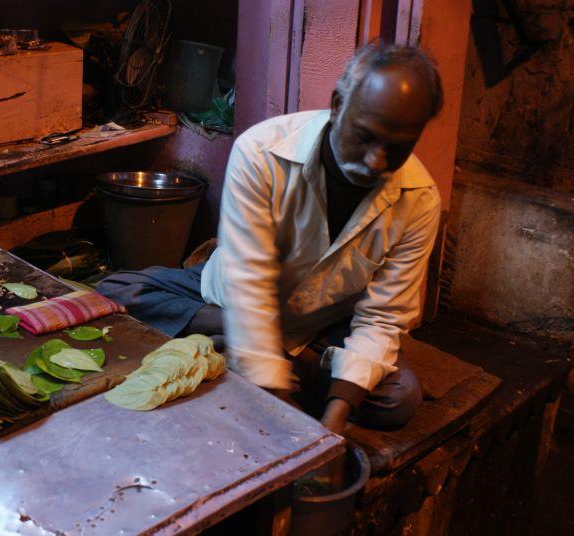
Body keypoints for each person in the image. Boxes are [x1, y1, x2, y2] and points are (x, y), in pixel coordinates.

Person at [97, 43, 443, 435]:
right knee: (113, 291)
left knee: (398, 399)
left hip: (322, 321)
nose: (376, 160)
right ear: (336, 105)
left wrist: (333, 424)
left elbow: (383, 316)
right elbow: (250, 278)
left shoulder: (419, 200)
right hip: (231, 295)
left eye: (398, 147)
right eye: (365, 136)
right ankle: (270, 349)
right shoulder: (263, 152)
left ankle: (241, 345)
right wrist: (271, 380)